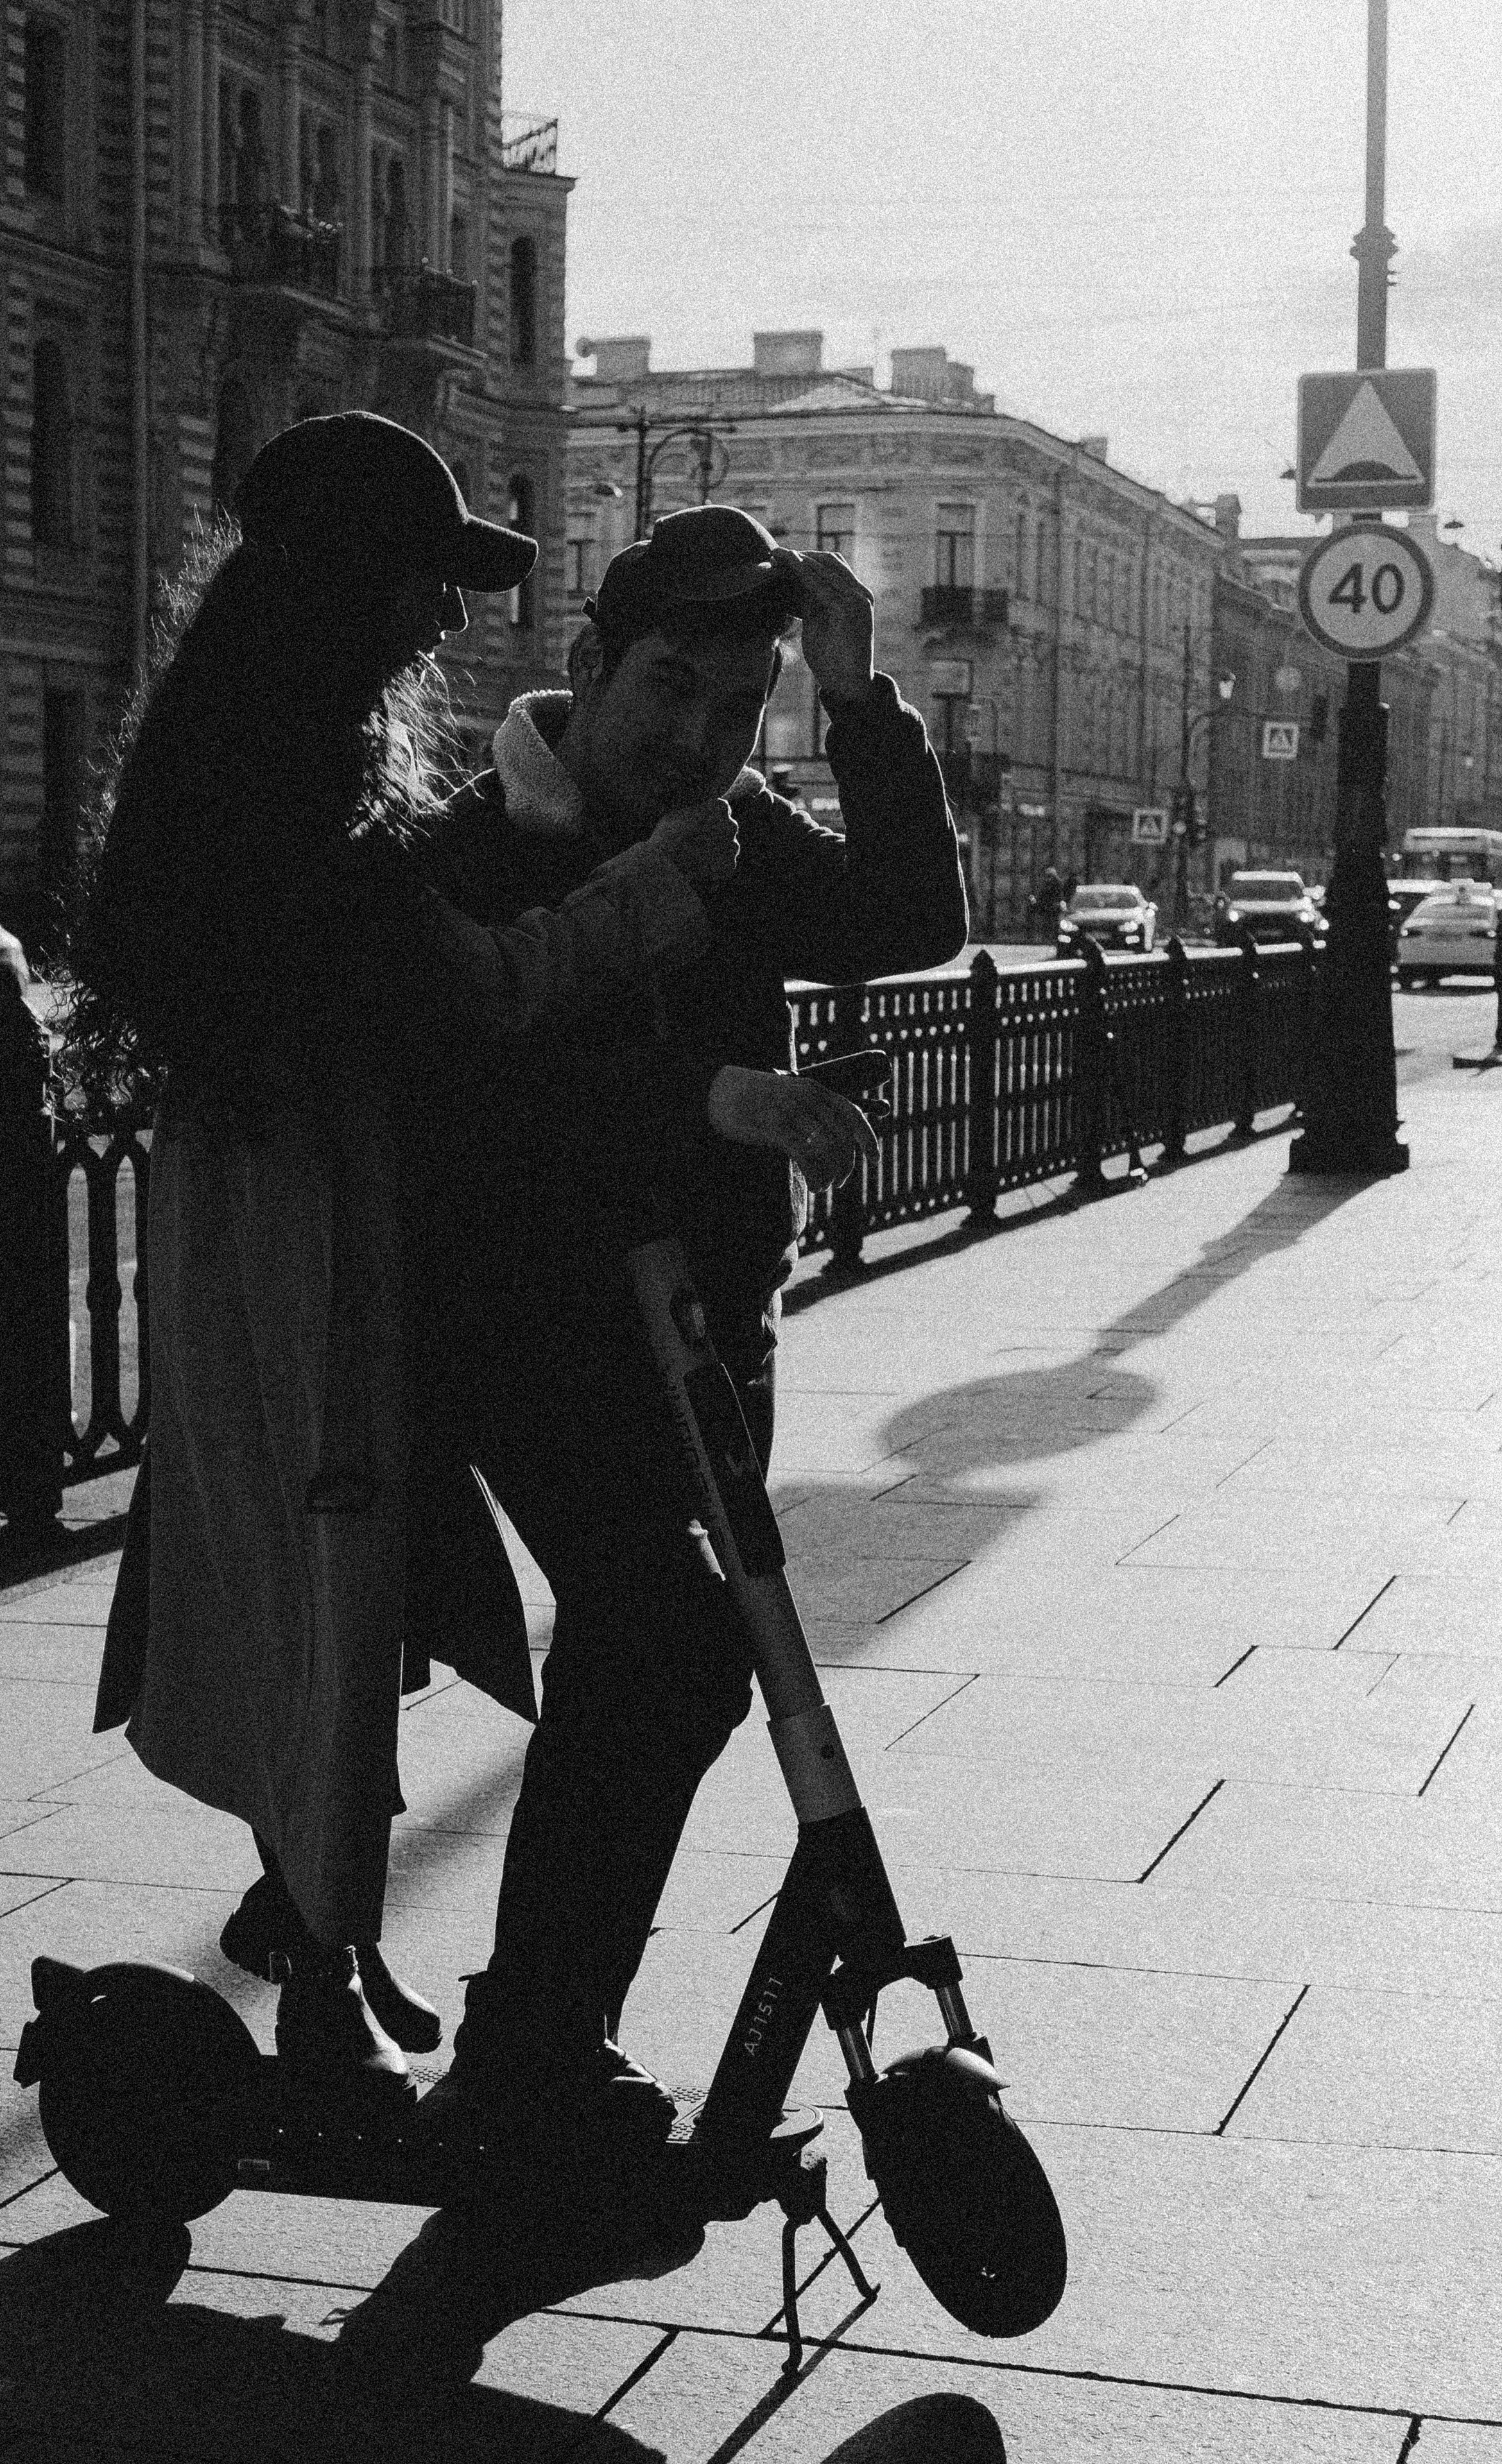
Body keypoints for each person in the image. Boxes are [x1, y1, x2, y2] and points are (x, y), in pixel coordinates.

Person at [75, 415, 835, 2112]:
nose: (440, 628)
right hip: (313, 1272)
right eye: (422, 593)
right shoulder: (292, 827)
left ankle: (332, 1956)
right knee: (331, 1608)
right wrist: (656, 895)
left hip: (324, 1255)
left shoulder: (290, 787)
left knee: (346, 1612)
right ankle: (339, 1989)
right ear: (343, 600)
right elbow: (481, 997)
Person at [415, 504, 969, 2165]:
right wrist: (716, 1098)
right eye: (674, 690)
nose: (706, 739)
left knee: (679, 1662)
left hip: (719, 1315)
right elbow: (497, 1089)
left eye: (744, 710)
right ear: (585, 666)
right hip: (543, 1318)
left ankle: (547, 2040)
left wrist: (864, 705)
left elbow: (904, 919)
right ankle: (527, 2055)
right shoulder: (481, 851)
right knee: (666, 1634)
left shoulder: (737, 829)